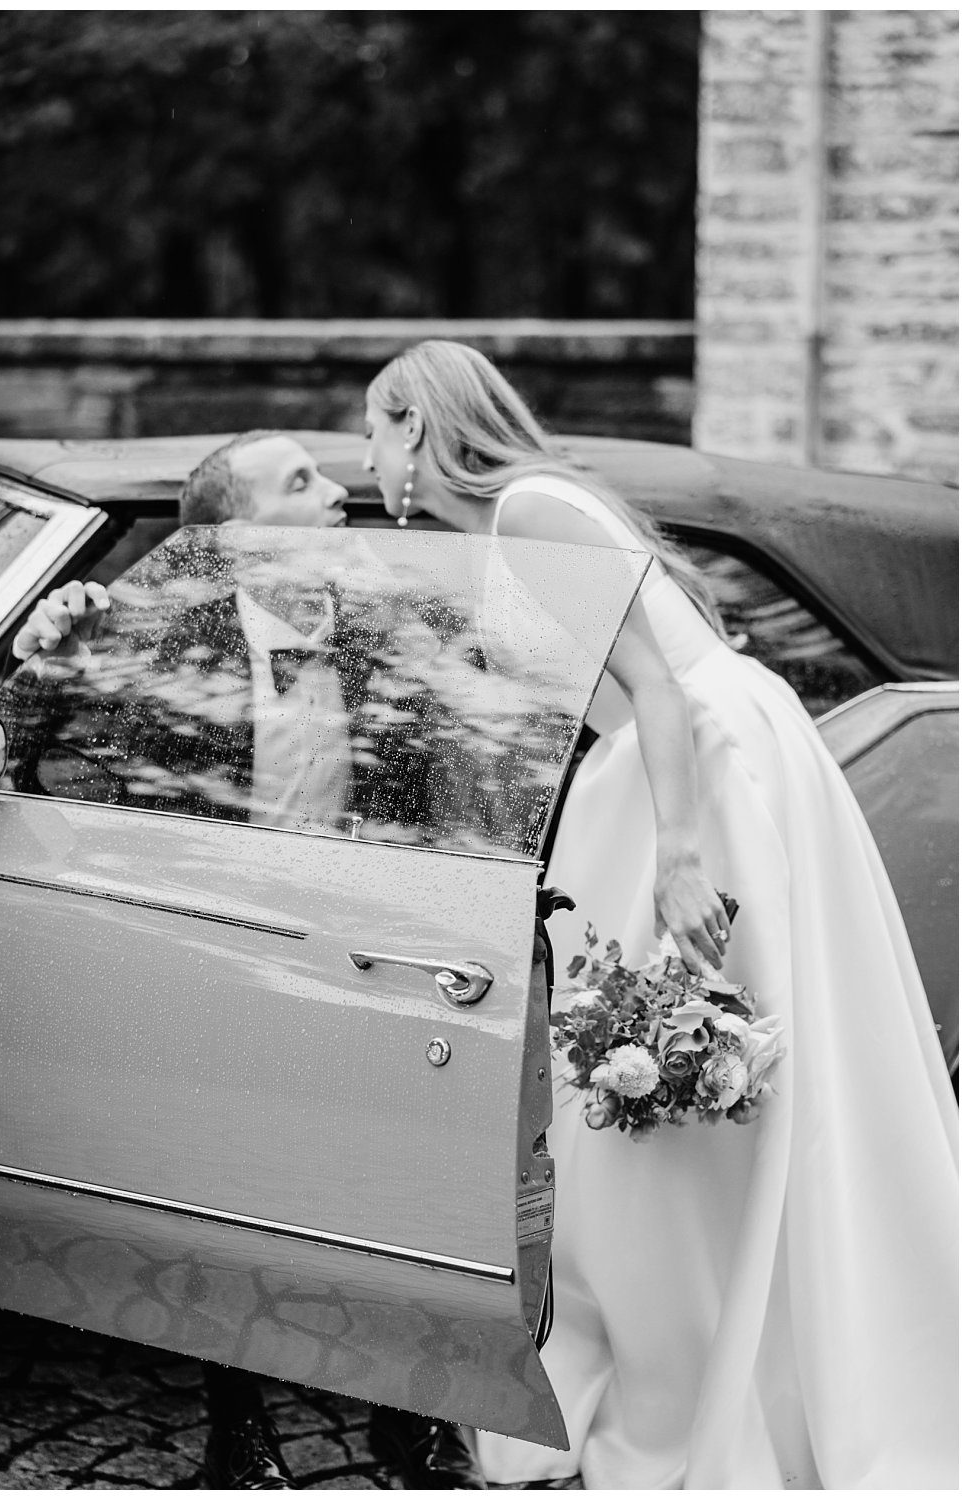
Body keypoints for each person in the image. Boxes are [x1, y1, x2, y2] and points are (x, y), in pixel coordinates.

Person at [362, 340, 958, 1489]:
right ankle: (705, 1354)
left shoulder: (532, 505)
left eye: (376, 431)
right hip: (663, 776)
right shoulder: (513, 524)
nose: (370, 459)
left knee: (683, 1088)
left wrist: (683, 857)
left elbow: (664, 685)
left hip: (689, 780)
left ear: (418, 424)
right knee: (670, 1097)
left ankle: (715, 1378)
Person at [10, 429, 488, 1491]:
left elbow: (476, 737)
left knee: (399, 1185)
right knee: (227, 1194)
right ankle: (240, 1425)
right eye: (303, 483)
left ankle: (406, 1420)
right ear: (236, 533)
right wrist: (48, 653)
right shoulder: (165, 640)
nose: (340, 490)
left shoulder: (384, 627)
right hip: (223, 946)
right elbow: (21, 742)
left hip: (370, 944)